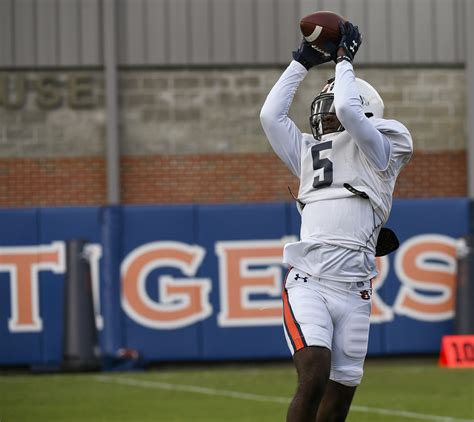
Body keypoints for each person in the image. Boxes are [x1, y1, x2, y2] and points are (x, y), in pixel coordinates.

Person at [260, 21, 413, 421]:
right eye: (322, 108)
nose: (325, 115)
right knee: (314, 374)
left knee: (339, 399)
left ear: (367, 111)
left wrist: (345, 61)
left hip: (356, 289)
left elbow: (347, 108)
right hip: (310, 277)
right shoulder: (309, 152)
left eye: (331, 107)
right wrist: (300, 64)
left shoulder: (381, 148)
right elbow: (270, 117)